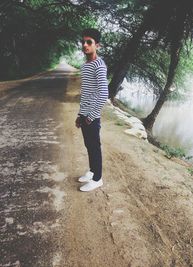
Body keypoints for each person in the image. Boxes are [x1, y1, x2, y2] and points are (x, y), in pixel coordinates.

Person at [75, 28, 108, 192]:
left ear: (97, 45)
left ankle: (97, 179)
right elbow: (86, 93)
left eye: (89, 42)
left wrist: (91, 116)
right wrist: (80, 114)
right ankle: (92, 171)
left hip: (92, 116)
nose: (85, 45)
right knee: (89, 145)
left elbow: (104, 93)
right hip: (85, 114)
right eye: (83, 42)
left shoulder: (99, 65)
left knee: (94, 147)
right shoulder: (85, 66)